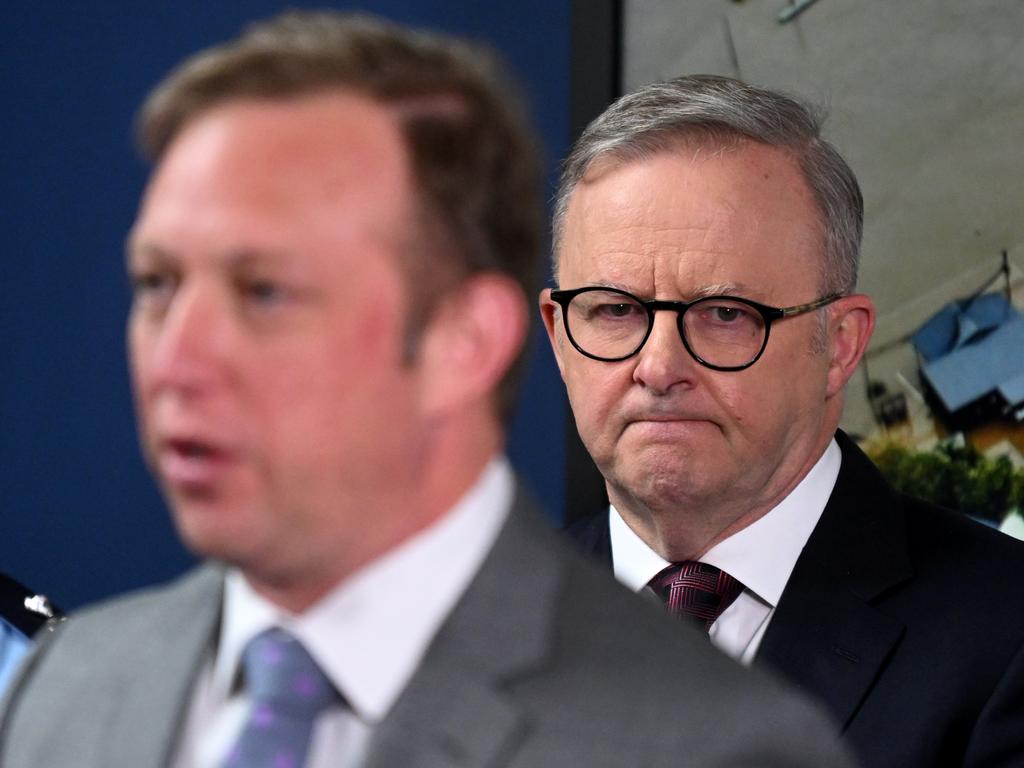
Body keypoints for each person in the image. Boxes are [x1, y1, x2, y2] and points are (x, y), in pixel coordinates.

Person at [0, 17, 853, 768]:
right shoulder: (60, 689)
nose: (178, 357)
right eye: (156, 285)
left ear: (464, 340)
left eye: (266, 292)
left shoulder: (723, 739)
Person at [542, 73, 1024, 768]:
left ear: (841, 345)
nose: (658, 366)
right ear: (558, 334)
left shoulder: (1006, 640)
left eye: (726, 314)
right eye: (615, 311)